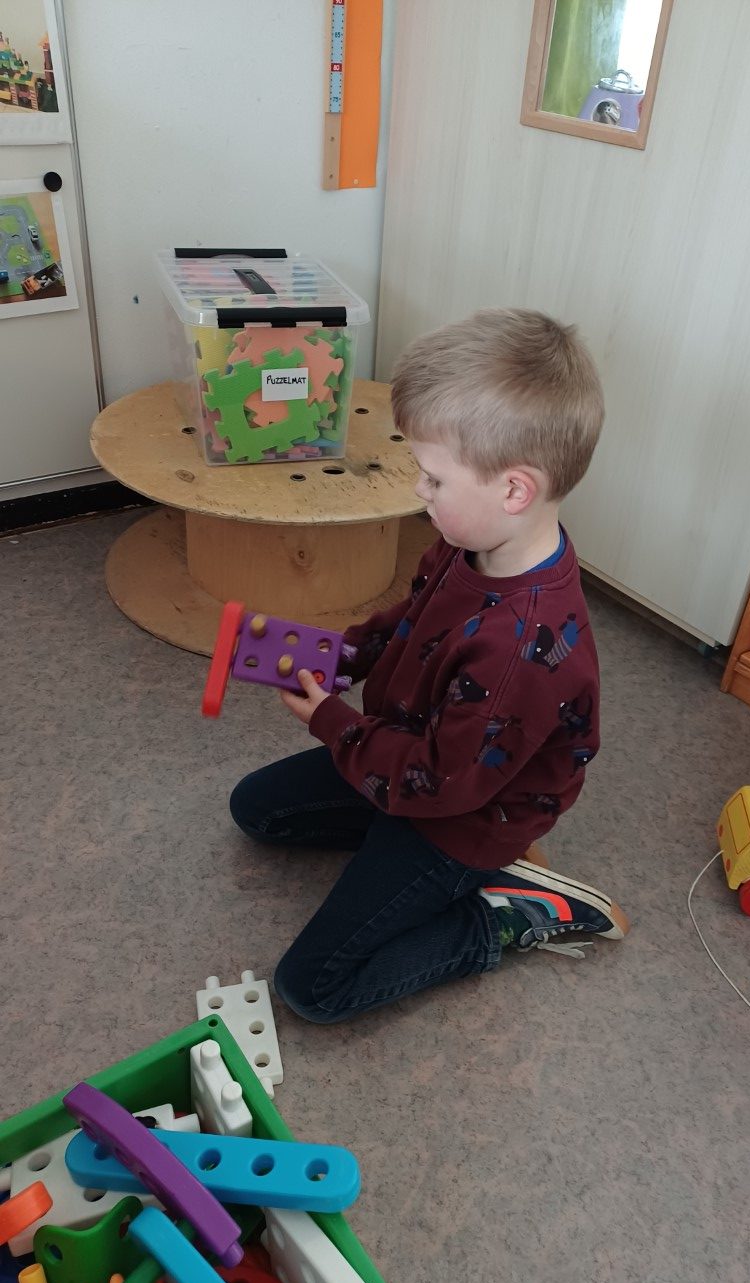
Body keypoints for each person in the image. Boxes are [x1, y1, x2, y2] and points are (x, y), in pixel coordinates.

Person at [230, 308, 629, 1023]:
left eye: (434, 478)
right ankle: (399, 854)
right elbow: (409, 621)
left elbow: (439, 782)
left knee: (313, 988)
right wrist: (338, 656)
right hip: (416, 754)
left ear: (514, 490)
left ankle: (502, 914)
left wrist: (335, 725)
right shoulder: (470, 540)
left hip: (461, 815)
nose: (421, 490)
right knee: (256, 809)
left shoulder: (518, 650)